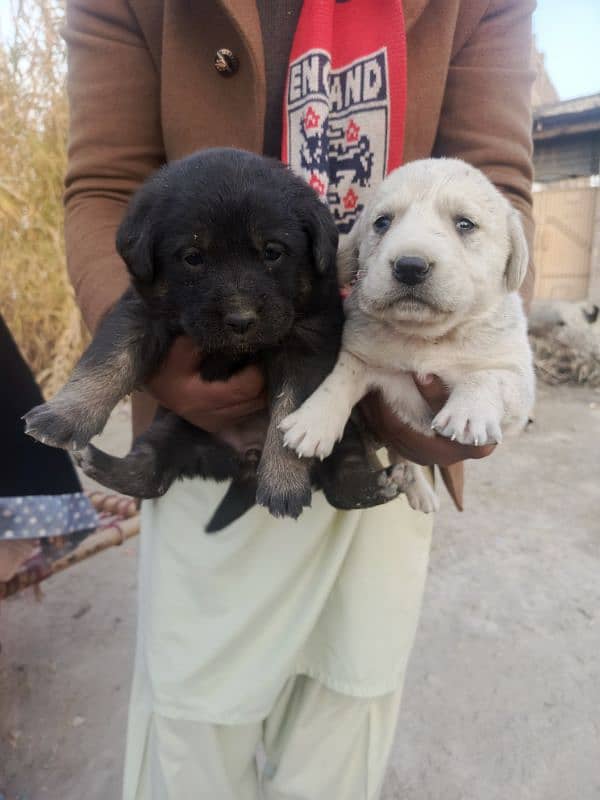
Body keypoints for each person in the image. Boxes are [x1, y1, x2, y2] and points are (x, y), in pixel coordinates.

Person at [63, 1, 535, 797]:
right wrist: (162, 357)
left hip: (388, 425)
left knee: (346, 707)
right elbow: (107, 184)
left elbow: (498, 186)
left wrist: (451, 386)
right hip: (201, 417)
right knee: (196, 720)